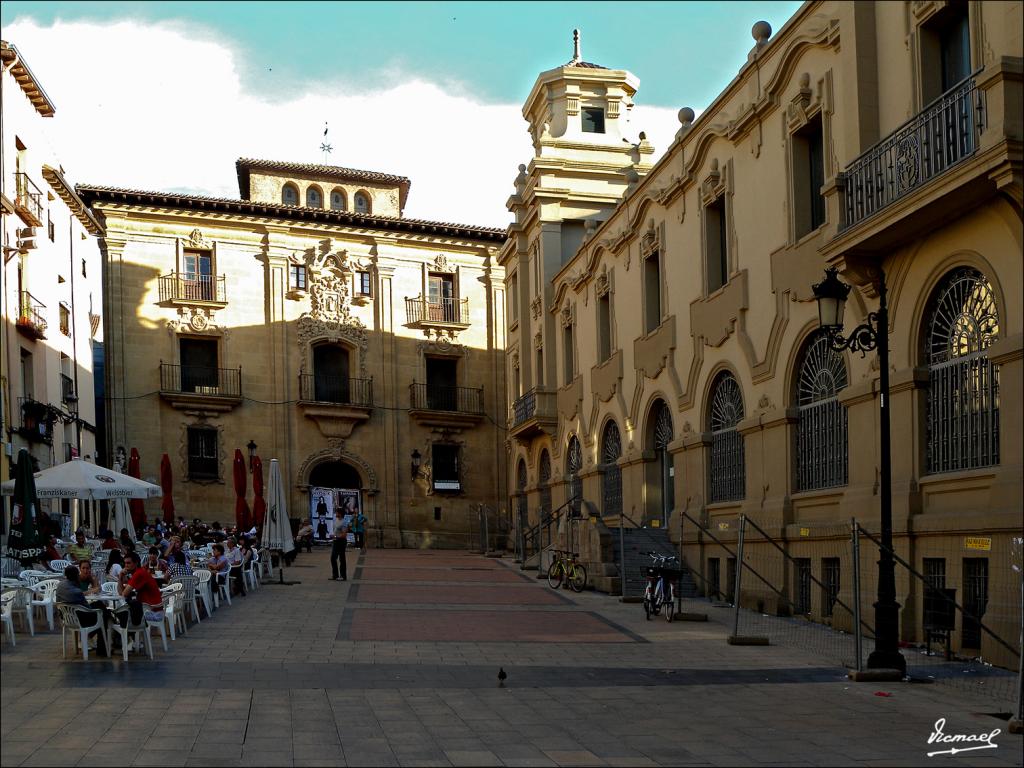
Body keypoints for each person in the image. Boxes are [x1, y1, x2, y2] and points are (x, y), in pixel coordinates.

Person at [56, 565, 109, 655]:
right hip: (80, 619)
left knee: (99, 605)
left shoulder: (60, 585)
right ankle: (102, 649)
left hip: (66, 617)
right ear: (77, 575)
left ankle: (91, 638)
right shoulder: (77, 592)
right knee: (104, 615)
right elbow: (88, 608)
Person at [121, 551, 164, 625]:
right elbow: (122, 592)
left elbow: (124, 594)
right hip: (153, 608)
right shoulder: (140, 572)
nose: (126, 566)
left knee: (122, 615)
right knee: (123, 614)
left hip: (152, 611)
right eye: (125, 563)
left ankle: (122, 634)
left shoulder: (139, 574)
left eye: (128, 563)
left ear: (136, 563)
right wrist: (120, 577)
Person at [330, 516, 348, 581]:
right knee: (333, 558)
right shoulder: (336, 520)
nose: (336, 513)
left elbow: (344, 534)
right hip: (335, 541)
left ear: (340, 513)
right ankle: (335, 575)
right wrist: (334, 536)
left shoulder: (344, 522)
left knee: (341, 558)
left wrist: (335, 536)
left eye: (337, 512)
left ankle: (343, 576)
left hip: (341, 542)